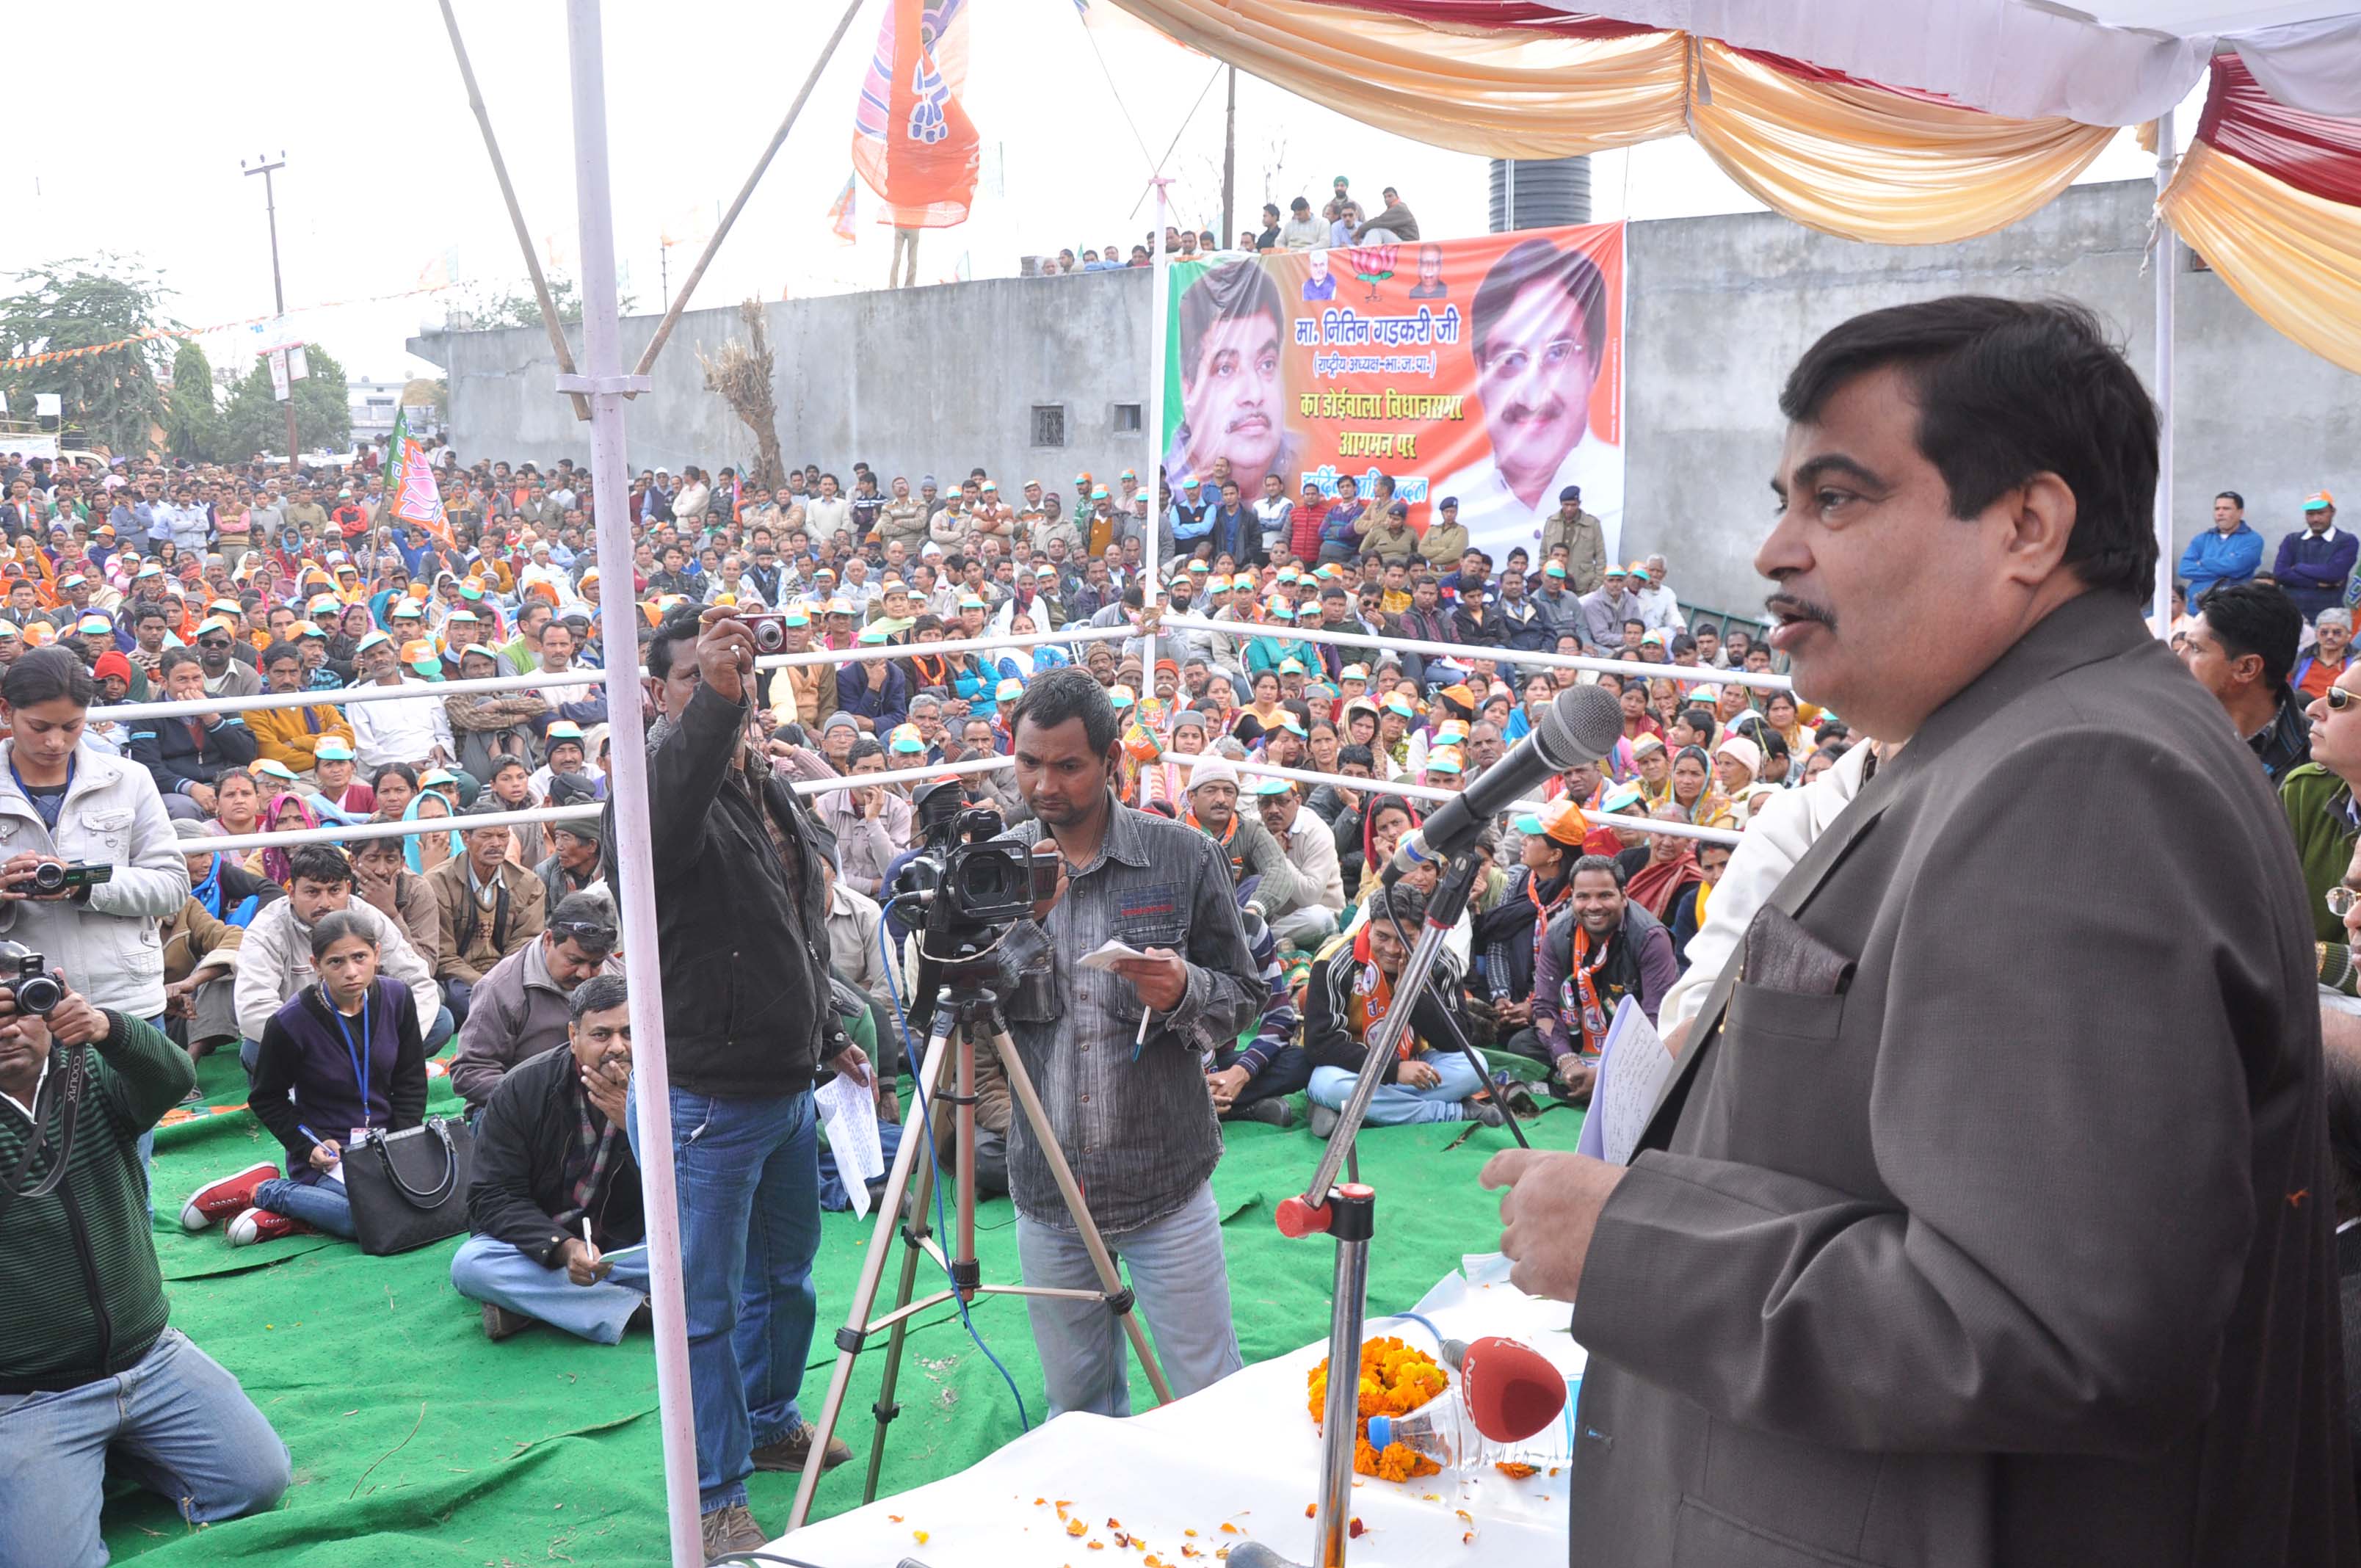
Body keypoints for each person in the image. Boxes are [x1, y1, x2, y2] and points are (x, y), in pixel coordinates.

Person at [1489, 297, 2357, 1564]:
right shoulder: (2019, 742)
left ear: (2026, 526)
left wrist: (1634, 1244)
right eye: (1784, 499)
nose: (1776, 549)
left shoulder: (2079, 780)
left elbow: (2059, 1329)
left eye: (1836, 500)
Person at [624, 605, 864, 1558]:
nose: (720, 693)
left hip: (782, 1084)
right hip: (703, 1099)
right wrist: (717, 708)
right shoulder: (646, 790)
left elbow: (790, 928)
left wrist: (828, 1032)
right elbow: (675, 797)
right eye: (696, 678)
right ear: (655, 693)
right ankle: (714, 1490)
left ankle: (769, 1422)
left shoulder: (761, 783)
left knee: (787, 1275)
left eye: (732, 678)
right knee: (706, 1307)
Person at [999, 668, 1262, 1420]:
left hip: (1165, 1179)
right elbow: (955, 1012)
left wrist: (1186, 991)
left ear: (1114, 760)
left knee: (1208, 1397)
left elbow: (1246, 996)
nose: (1045, 784)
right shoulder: (999, 866)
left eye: (1068, 765)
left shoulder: (1182, 856)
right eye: (1029, 762)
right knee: (1077, 1410)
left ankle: (1226, 1536)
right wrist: (1024, 923)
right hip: (1049, 1190)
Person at [0, 980, 291, 1562]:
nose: (7, 1029)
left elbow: (174, 1077)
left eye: (19, 1009)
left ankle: (111, 1452)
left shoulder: (88, 1075)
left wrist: (108, 1025)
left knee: (258, 1482)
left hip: (148, 1356)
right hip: (30, 1391)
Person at [0, 647, 190, 1044]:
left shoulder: (128, 779)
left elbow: (172, 887)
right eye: (39, 727)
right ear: (6, 712)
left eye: (71, 726)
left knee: (139, 1105)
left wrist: (85, 883)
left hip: (124, 1002)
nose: (55, 742)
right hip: (20, 1013)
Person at [451, 974, 652, 1344]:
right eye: (601, 1035)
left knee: (706, 1248)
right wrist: (563, 1247)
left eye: (629, 1032)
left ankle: (531, 1305)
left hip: (626, 1243)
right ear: (573, 1036)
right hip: (539, 1245)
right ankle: (638, 1309)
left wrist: (636, 1124)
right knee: (471, 1266)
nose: (618, 1047)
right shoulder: (522, 1087)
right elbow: (492, 1196)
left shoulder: (666, 1086)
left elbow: (686, 1184)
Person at [211, 910, 428, 1244]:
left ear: (377, 954)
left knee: (429, 1202)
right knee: (372, 1221)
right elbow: (267, 1098)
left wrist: (400, 1145)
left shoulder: (398, 998)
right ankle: (268, 1191)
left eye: (360, 957)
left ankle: (302, 1214)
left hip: (388, 1142)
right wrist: (307, 1143)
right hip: (329, 1152)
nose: (351, 972)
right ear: (316, 964)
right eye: (336, 962)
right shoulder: (289, 1022)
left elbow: (411, 1081)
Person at [1435, 236, 1620, 557]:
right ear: (1481, 371)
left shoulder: (1621, 488)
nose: (1533, 397)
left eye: (1558, 354)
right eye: (1511, 360)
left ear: (1593, 363)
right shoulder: (1453, 496)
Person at [232, 843, 445, 1071]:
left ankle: (374, 1073)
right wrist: (324, 1048)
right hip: (306, 1040)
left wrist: (390, 1046)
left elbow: (418, 982)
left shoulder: (367, 918)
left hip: (364, 1034)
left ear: (348, 888)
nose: (325, 903)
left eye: (334, 891)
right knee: (255, 1049)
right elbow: (253, 1010)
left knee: (441, 1021)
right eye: (312, 892)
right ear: (291, 893)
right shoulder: (267, 930)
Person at [448, 893, 620, 1115]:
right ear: (549, 940)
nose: (584, 973)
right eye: (574, 961)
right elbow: (470, 1072)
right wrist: (534, 1102)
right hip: (523, 1109)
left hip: (598, 1101)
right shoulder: (501, 988)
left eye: (596, 963)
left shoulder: (621, 981)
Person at [425, 802, 551, 1025]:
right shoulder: (438, 882)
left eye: (503, 836)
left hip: (508, 974)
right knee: (461, 1001)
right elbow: (443, 956)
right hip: (460, 979)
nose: (496, 844)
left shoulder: (529, 884)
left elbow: (525, 943)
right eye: (486, 836)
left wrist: (501, 981)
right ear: (465, 838)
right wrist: (486, 984)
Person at [2179, 579, 2310, 781]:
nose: (2179, 657)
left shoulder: (2322, 758)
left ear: (2247, 668)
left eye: (2195, 648)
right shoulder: (2167, 734)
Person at [128, 648, 261, 818]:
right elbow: (149, 768)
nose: (192, 686)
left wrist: (212, 717)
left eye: (197, 678)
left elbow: (246, 753)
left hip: (225, 784)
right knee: (183, 809)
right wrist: (191, 787)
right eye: (182, 680)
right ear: (163, 682)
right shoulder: (147, 714)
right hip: (176, 790)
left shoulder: (222, 704)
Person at [2177, 489, 2264, 606]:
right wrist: (2225, 572)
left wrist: (2204, 562)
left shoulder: (2253, 540)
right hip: (2198, 607)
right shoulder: (2202, 539)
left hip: (2232, 608)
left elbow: (2236, 568)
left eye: (2226, 509)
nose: (2220, 513)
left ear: (2240, 512)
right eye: (2217, 509)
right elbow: (2184, 569)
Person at [2275, 490, 2352, 623]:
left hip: (2329, 619)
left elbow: (2334, 574)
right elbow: (2280, 574)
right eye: (2310, 514)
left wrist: (2298, 567)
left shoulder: (2346, 541)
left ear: (2333, 512)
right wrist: (2317, 583)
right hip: (2291, 615)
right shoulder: (2292, 540)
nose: (2316, 519)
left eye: (2321, 513)